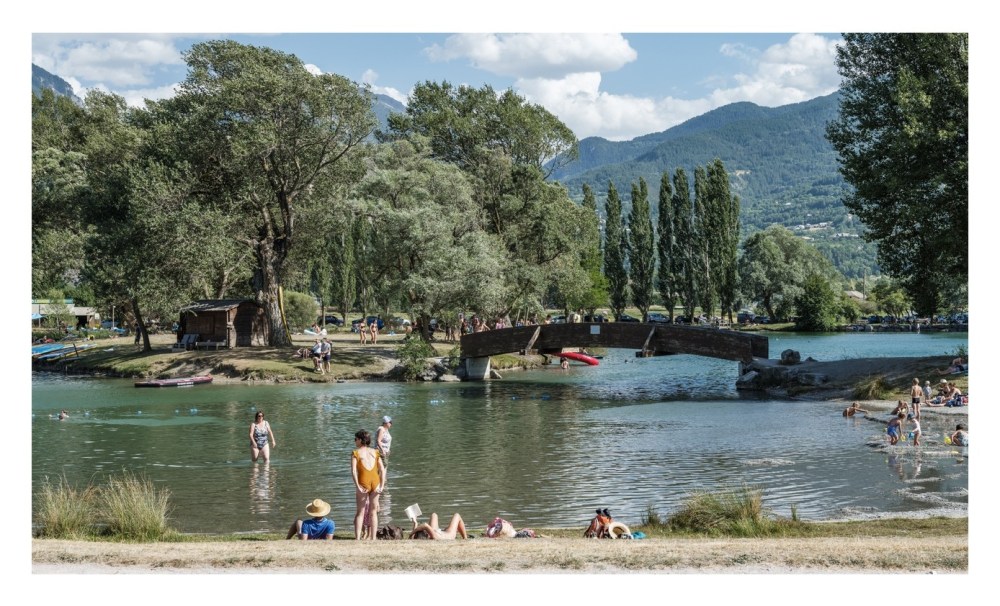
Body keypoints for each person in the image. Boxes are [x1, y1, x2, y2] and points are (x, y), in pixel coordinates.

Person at [352, 429, 385, 540]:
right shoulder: (375, 452)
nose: (355, 441)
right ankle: (373, 538)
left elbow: (354, 471)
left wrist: (358, 486)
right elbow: (382, 470)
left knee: (360, 512)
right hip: (375, 482)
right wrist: (382, 485)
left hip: (363, 482)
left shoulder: (356, 453)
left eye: (355, 439)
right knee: (373, 512)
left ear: (360, 440)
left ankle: (357, 539)